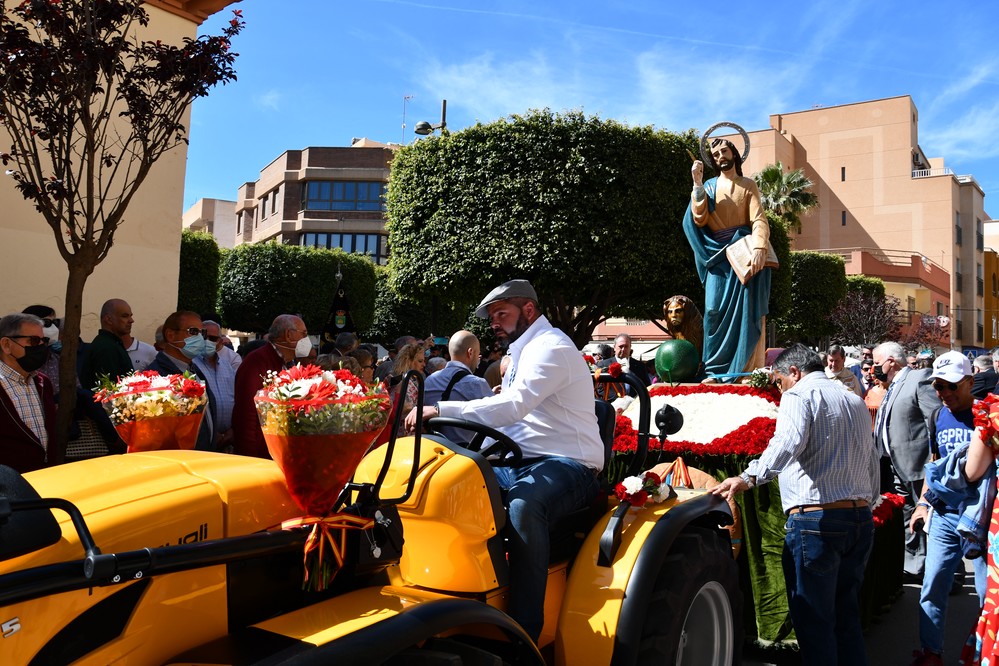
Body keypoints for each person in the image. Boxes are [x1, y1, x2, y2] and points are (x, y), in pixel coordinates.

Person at [405, 279, 603, 642]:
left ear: (528, 311)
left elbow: (515, 405)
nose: (494, 322)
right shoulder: (523, 351)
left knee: (526, 505)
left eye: (501, 314)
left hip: (569, 463)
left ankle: (524, 630)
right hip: (520, 461)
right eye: (492, 316)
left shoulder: (552, 347)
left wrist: (439, 408)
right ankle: (452, 590)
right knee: (448, 485)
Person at [711, 344, 878, 666]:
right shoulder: (854, 399)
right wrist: (869, 501)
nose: (779, 388)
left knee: (814, 621)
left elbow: (787, 441)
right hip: (857, 518)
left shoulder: (799, 395)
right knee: (845, 617)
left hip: (818, 520)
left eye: (778, 381)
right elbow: (871, 458)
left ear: (794, 373)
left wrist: (748, 477)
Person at [907, 351, 985, 666]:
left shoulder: (988, 414)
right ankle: (931, 653)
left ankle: (982, 653)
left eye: (952, 386)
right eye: (939, 387)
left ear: (970, 381)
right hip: (943, 515)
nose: (945, 393)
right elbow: (935, 465)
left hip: (980, 519)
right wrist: (922, 504)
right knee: (933, 584)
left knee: (985, 593)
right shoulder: (937, 416)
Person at [682, 137, 772, 379]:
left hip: (743, 254)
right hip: (717, 257)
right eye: (716, 153)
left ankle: (742, 370)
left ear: (734, 154)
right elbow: (699, 219)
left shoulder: (748, 185)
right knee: (712, 311)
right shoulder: (709, 186)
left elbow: (759, 220)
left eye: (725, 150)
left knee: (745, 312)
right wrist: (697, 183)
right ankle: (712, 369)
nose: (720, 156)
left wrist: (759, 248)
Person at [873, 341, 942, 582]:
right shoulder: (890, 386)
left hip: (917, 463)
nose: (873, 368)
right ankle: (914, 566)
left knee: (930, 516)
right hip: (892, 463)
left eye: (877, 363)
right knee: (907, 516)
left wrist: (934, 461)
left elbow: (934, 421)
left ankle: (947, 571)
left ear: (891, 361)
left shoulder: (918, 378)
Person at [232, 315, 310, 458]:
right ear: (288, 335)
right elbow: (247, 414)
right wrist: (249, 457)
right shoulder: (257, 361)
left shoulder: (289, 362)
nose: (306, 339)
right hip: (261, 455)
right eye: (303, 334)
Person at [146, 311, 217, 451]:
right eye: (193, 331)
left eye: (201, 333)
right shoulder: (156, 378)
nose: (200, 339)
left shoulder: (196, 371)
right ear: (171, 335)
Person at [0, 313, 56, 472]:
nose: (41, 347)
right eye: (33, 341)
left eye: (43, 341)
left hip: (47, 479)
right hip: (10, 489)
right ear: (6, 345)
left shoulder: (43, 383)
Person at [422, 330, 493, 445]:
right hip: (465, 455)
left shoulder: (430, 380)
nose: (478, 359)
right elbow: (496, 418)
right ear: (470, 353)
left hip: (431, 449)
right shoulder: (477, 384)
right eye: (478, 354)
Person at [193, 320, 238, 452]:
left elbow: (236, 398)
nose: (207, 341)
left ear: (219, 342)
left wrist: (231, 431)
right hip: (203, 439)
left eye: (212, 338)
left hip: (229, 439)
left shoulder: (227, 365)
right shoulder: (192, 365)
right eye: (203, 336)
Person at [80, 298, 134, 390]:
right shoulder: (106, 347)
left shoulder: (112, 344)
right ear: (108, 319)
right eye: (125, 316)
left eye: (130, 316)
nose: (131, 320)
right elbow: (110, 390)